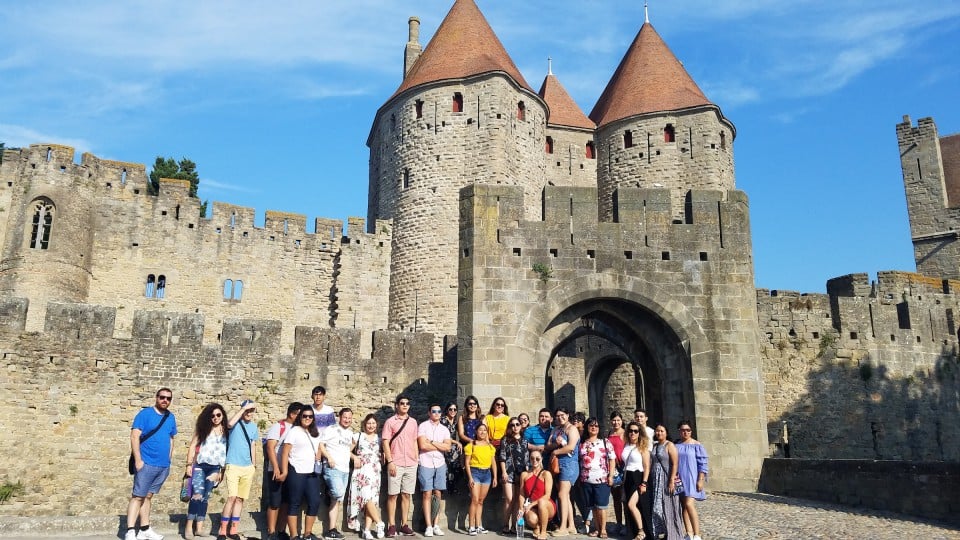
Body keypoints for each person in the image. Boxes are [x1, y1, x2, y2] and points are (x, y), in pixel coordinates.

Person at [126, 388, 178, 540]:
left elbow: (171, 438)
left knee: (148, 496)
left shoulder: (171, 417)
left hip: (162, 465)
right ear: (156, 398)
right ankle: (130, 531)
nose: (165, 400)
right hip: (146, 463)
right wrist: (138, 461)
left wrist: (168, 459)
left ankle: (144, 529)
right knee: (137, 496)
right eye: (162, 397)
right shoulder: (145, 414)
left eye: (168, 398)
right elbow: (134, 436)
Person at [184, 403, 228, 539]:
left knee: (205, 498)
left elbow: (224, 453)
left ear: (222, 415)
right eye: (212, 415)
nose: (215, 417)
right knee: (196, 496)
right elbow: (192, 446)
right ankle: (188, 527)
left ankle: (199, 528)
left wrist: (222, 471)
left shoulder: (226, 431)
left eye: (218, 415)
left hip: (215, 469)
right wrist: (188, 465)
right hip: (200, 466)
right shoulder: (203, 429)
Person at [217, 400, 259, 540]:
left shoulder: (253, 427)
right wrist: (243, 409)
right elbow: (228, 424)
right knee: (231, 497)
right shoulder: (235, 424)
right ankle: (222, 530)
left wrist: (254, 465)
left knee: (240, 499)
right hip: (233, 464)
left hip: (247, 467)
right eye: (247, 410)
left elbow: (253, 445)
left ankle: (233, 529)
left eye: (251, 410)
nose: (249, 413)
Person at [280, 407, 323, 540]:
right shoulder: (294, 431)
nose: (307, 418)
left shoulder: (315, 432)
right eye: (305, 416)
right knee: (294, 502)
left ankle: (307, 533)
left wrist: (318, 457)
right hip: (297, 470)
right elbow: (285, 452)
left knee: (315, 501)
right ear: (300, 417)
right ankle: (294, 535)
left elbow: (319, 447)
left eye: (310, 416)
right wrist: (285, 471)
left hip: (312, 472)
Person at [265, 402, 303, 540]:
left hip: (291, 471)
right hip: (276, 470)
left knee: (286, 502)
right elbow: (270, 447)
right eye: (300, 414)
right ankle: (271, 531)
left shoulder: (298, 429)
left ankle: (281, 530)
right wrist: (275, 467)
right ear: (292, 414)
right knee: (275, 502)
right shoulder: (278, 427)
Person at [382, 395, 418, 538]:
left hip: (410, 463)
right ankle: (391, 525)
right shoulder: (390, 422)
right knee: (392, 495)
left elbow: (414, 440)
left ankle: (404, 524)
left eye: (407, 403)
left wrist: (416, 458)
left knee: (406, 495)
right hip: (395, 462)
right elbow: (385, 442)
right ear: (397, 405)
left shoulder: (413, 422)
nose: (404, 405)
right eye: (402, 403)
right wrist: (390, 461)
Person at [318, 408, 356, 540]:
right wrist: (329, 458)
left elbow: (351, 445)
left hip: (345, 470)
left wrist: (351, 455)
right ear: (339, 417)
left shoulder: (350, 433)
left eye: (349, 418)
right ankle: (328, 492)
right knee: (338, 493)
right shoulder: (331, 429)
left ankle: (331, 530)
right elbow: (321, 445)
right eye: (345, 417)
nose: (347, 420)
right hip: (332, 467)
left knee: (337, 500)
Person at [348, 414, 385, 540]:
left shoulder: (379, 439)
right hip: (361, 471)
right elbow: (346, 450)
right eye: (369, 423)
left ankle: (367, 530)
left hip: (375, 472)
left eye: (373, 423)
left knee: (373, 500)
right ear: (364, 424)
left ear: (376, 425)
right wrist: (354, 457)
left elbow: (382, 454)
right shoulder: (358, 436)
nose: (371, 425)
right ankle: (380, 523)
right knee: (366, 498)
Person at [418, 403, 452, 537]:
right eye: (434, 411)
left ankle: (436, 524)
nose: (436, 413)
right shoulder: (423, 426)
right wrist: (440, 446)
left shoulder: (444, 429)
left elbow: (448, 447)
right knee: (427, 494)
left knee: (438, 494)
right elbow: (422, 445)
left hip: (439, 463)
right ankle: (428, 526)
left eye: (439, 411)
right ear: (429, 413)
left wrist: (431, 442)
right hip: (426, 462)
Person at [579, 418, 616, 538]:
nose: (593, 428)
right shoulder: (583, 443)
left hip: (602, 478)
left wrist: (610, 476)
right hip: (586, 479)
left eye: (596, 426)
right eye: (591, 425)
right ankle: (597, 528)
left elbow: (612, 459)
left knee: (601, 506)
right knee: (593, 507)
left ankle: (603, 529)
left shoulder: (605, 442)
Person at [545, 407, 579, 537]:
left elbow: (571, 447)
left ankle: (563, 527)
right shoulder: (556, 429)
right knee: (565, 496)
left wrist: (555, 451)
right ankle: (571, 526)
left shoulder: (572, 429)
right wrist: (556, 445)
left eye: (562, 415)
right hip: (557, 465)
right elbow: (548, 445)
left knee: (561, 494)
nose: (560, 417)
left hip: (569, 464)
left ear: (568, 415)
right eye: (558, 415)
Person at [649, 425, 683, 540]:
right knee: (657, 507)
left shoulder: (669, 445)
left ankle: (673, 534)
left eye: (662, 431)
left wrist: (671, 481)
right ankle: (660, 531)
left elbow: (675, 463)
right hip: (655, 479)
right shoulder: (655, 445)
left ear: (666, 433)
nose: (659, 433)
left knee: (668, 506)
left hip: (666, 478)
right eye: (657, 431)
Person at [675, 421, 708, 540]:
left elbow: (703, 464)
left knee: (689, 504)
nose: (685, 432)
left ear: (691, 431)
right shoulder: (676, 445)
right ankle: (688, 532)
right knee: (684, 506)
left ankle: (697, 533)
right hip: (679, 478)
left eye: (688, 430)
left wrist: (701, 479)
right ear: (679, 431)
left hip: (692, 478)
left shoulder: (697, 445)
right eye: (683, 430)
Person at [496, 417, 529, 535]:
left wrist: (527, 472)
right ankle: (505, 524)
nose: (515, 427)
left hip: (521, 473)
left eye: (517, 424)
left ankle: (514, 526)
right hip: (508, 472)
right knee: (509, 499)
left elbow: (526, 457)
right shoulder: (505, 439)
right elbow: (502, 456)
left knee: (517, 501)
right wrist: (503, 472)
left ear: (521, 426)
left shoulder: (524, 440)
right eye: (512, 425)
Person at [464, 424, 497, 535]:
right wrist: (470, 478)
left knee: (481, 501)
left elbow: (493, 463)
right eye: (480, 430)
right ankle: (471, 526)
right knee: (475, 499)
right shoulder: (471, 445)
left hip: (487, 473)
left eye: (484, 430)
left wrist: (495, 477)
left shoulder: (490, 446)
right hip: (475, 472)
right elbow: (467, 463)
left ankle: (479, 525)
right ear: (476, 432)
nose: (482, 432)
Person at [621, 422, 650, 540]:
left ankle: (641, 531)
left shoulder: (643, 448)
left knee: (631, 505)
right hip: (627, 477)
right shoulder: (626, 445)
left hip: (638, 477)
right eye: (630, 430)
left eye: (635, 431)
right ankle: (632, 532)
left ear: (640, 433)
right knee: (628, 506)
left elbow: (647, 466)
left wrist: (644, 483)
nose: (632, 433)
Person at [520, 450, 555, 540]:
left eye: (537, 458)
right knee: (532, 519)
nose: (534, 460)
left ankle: (543, 531)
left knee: (542, 502)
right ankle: (537, 527)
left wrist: (531, 504)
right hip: (532, 506)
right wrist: (521, 509)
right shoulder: (524, 474)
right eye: (532, 458)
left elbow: (547, 495)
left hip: (546, 505)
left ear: (541, 459)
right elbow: (521, 494)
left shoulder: (546, 474)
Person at [632, 410, 654, 539]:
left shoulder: (651, 432)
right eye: (637, 417)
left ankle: (648, 528)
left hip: (647, 467)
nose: (639, 419)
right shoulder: (633, 430)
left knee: (647, 500)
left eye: (641, 416)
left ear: (646, 418)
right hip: (636, 468)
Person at [606, 413, 627, 537]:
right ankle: (619, 523)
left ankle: (626, 524)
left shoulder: (625, 433)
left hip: (623, 467)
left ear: (622, 421)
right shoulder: (609, 434)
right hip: (613, 469)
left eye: (618, 420)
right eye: (613, 420)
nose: (616, 423)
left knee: (625, 497)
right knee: (616, 498)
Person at [440, 403, 464, 495]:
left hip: (452, 447)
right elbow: (442, 436)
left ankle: (452, 486)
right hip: (444, 446)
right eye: (451, 409)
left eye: (455, 409)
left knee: (455, 467)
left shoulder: (455, 421)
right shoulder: (443, 421)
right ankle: (448, 487)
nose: (453, 411)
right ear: (447, 410)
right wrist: (457, 442)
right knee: (449, 467)